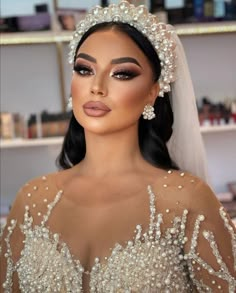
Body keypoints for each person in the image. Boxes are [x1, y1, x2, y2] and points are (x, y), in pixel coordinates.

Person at [0, 1, 235, 292]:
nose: (96, 86)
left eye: (122, 73)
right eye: (84, 69)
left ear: (153, 91)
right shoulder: (31, 201)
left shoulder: (187, 201)